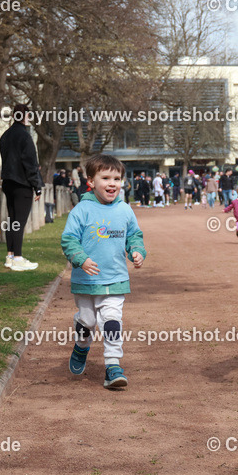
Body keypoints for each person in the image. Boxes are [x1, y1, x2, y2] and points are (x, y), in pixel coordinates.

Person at [62, 154, 145, 389]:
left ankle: (112, 365)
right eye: (105, 177)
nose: (112, 183)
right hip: (86, 280)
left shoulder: (125, 210)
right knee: (87, 322)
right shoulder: (82, 210)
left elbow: (134, 236)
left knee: (111, 320)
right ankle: (81, 346)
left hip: (115, 279)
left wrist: (137, 251)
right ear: (91, 181)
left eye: (117, 178)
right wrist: (81, 258)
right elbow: (69, 240)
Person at [0, 103, 43, 271]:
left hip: (8, 182)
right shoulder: (25, 137)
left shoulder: (5, 135)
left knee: (12, 220)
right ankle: (18, 257)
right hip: (22, 183)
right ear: (26, 116)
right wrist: (37, 186)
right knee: (20, 221)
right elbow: (30, 163)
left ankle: (10, 256)